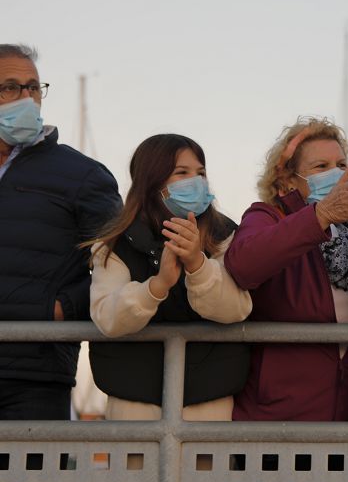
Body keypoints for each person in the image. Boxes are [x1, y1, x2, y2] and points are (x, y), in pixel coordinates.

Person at [88, 134, 252, 420]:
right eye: (182, 173)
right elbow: (107, 316)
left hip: (210, 396)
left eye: (201, 172)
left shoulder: (225, 234)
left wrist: (197, 265)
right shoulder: (115, 243)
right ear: (153, 180)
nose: (196, 181)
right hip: (133, 398)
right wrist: (157, 285)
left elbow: (236, 309)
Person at [225, 117, 348, 421]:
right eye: (320, 167)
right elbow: (243, 265)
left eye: (341, 163)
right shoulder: (267, 216)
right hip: (280, 410)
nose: (335, 173)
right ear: (286, 180)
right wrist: (318, 217)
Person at [0, 44, 121, 420]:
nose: (26, 98)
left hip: (33, 374)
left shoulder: (82, 175)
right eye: (10, 87)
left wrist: (61, 309)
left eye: (34, 87)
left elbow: (121, 268)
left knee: (30, 481)